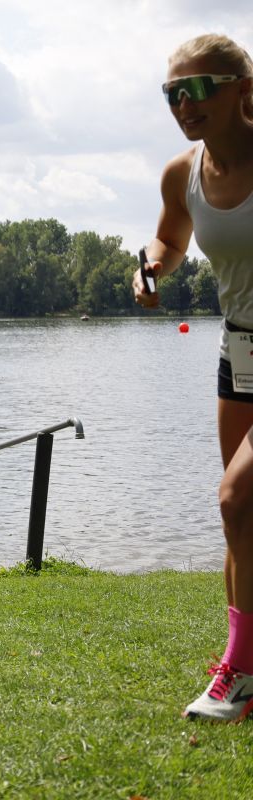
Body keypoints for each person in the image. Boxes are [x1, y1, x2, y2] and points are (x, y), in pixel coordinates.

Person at [134, 34, 253, 721]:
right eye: (172, 93)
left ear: (244, 89)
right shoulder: (183, 173)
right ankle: (243, 662)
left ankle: (241, 672)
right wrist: (152, 266)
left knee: (238, 499)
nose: (185, 104)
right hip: (239, 351)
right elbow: (172, 238)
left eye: (200, 87)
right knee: (245, 519)